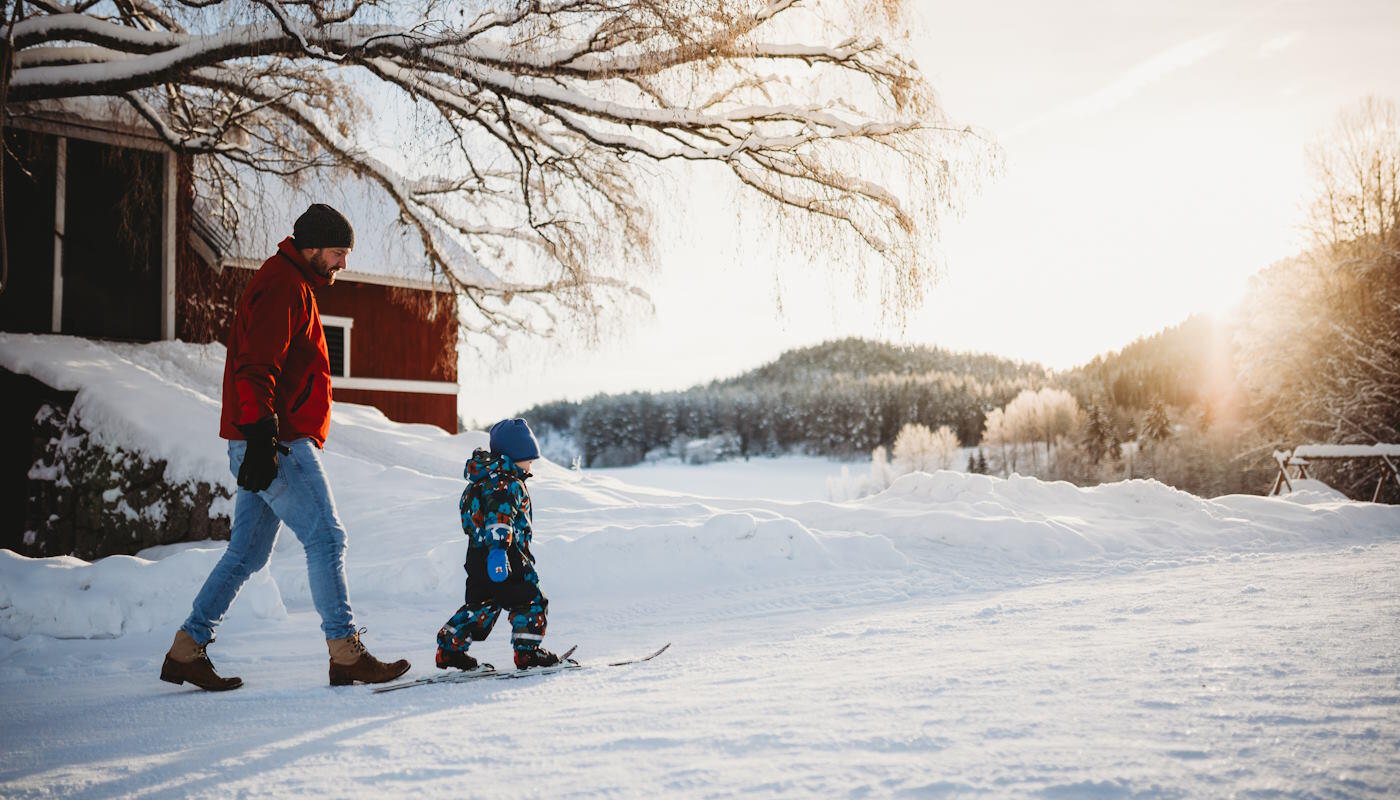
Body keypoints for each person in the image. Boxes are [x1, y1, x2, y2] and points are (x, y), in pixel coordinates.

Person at [160, 204, 410, 690]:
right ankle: (345, 653)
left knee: (246, 555)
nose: (342, 264)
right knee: (327, 537)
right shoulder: (283, 286)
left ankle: (186, 650)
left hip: (265, 438)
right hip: (276, 441)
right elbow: (256, 366)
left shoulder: (293, 283)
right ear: (313, 246)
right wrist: (260, 436)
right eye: (339, 253)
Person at [435, 419, 567, 671]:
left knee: (482, 605)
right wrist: (499, 551)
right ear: (514, 455)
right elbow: (499, 518)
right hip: (507, 555)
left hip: (477, 554)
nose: (531, 464)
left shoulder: (481, 480)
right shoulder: (505, 484)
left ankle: (449, 649)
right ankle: (528, 653)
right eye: (529, 457)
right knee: (530, 601)